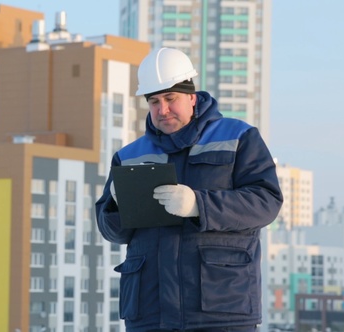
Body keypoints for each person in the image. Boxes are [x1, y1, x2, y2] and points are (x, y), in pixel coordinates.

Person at [95, 47, 283, 332]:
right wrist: (116, 208)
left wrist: (199, 205)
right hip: (150, 312)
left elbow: (266, 201)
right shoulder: (129, 156)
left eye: (171, 98)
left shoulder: (239, 137)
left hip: (221, 310)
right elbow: (113, 231)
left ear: (192, 97)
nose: (163, 109)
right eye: (154, 101)